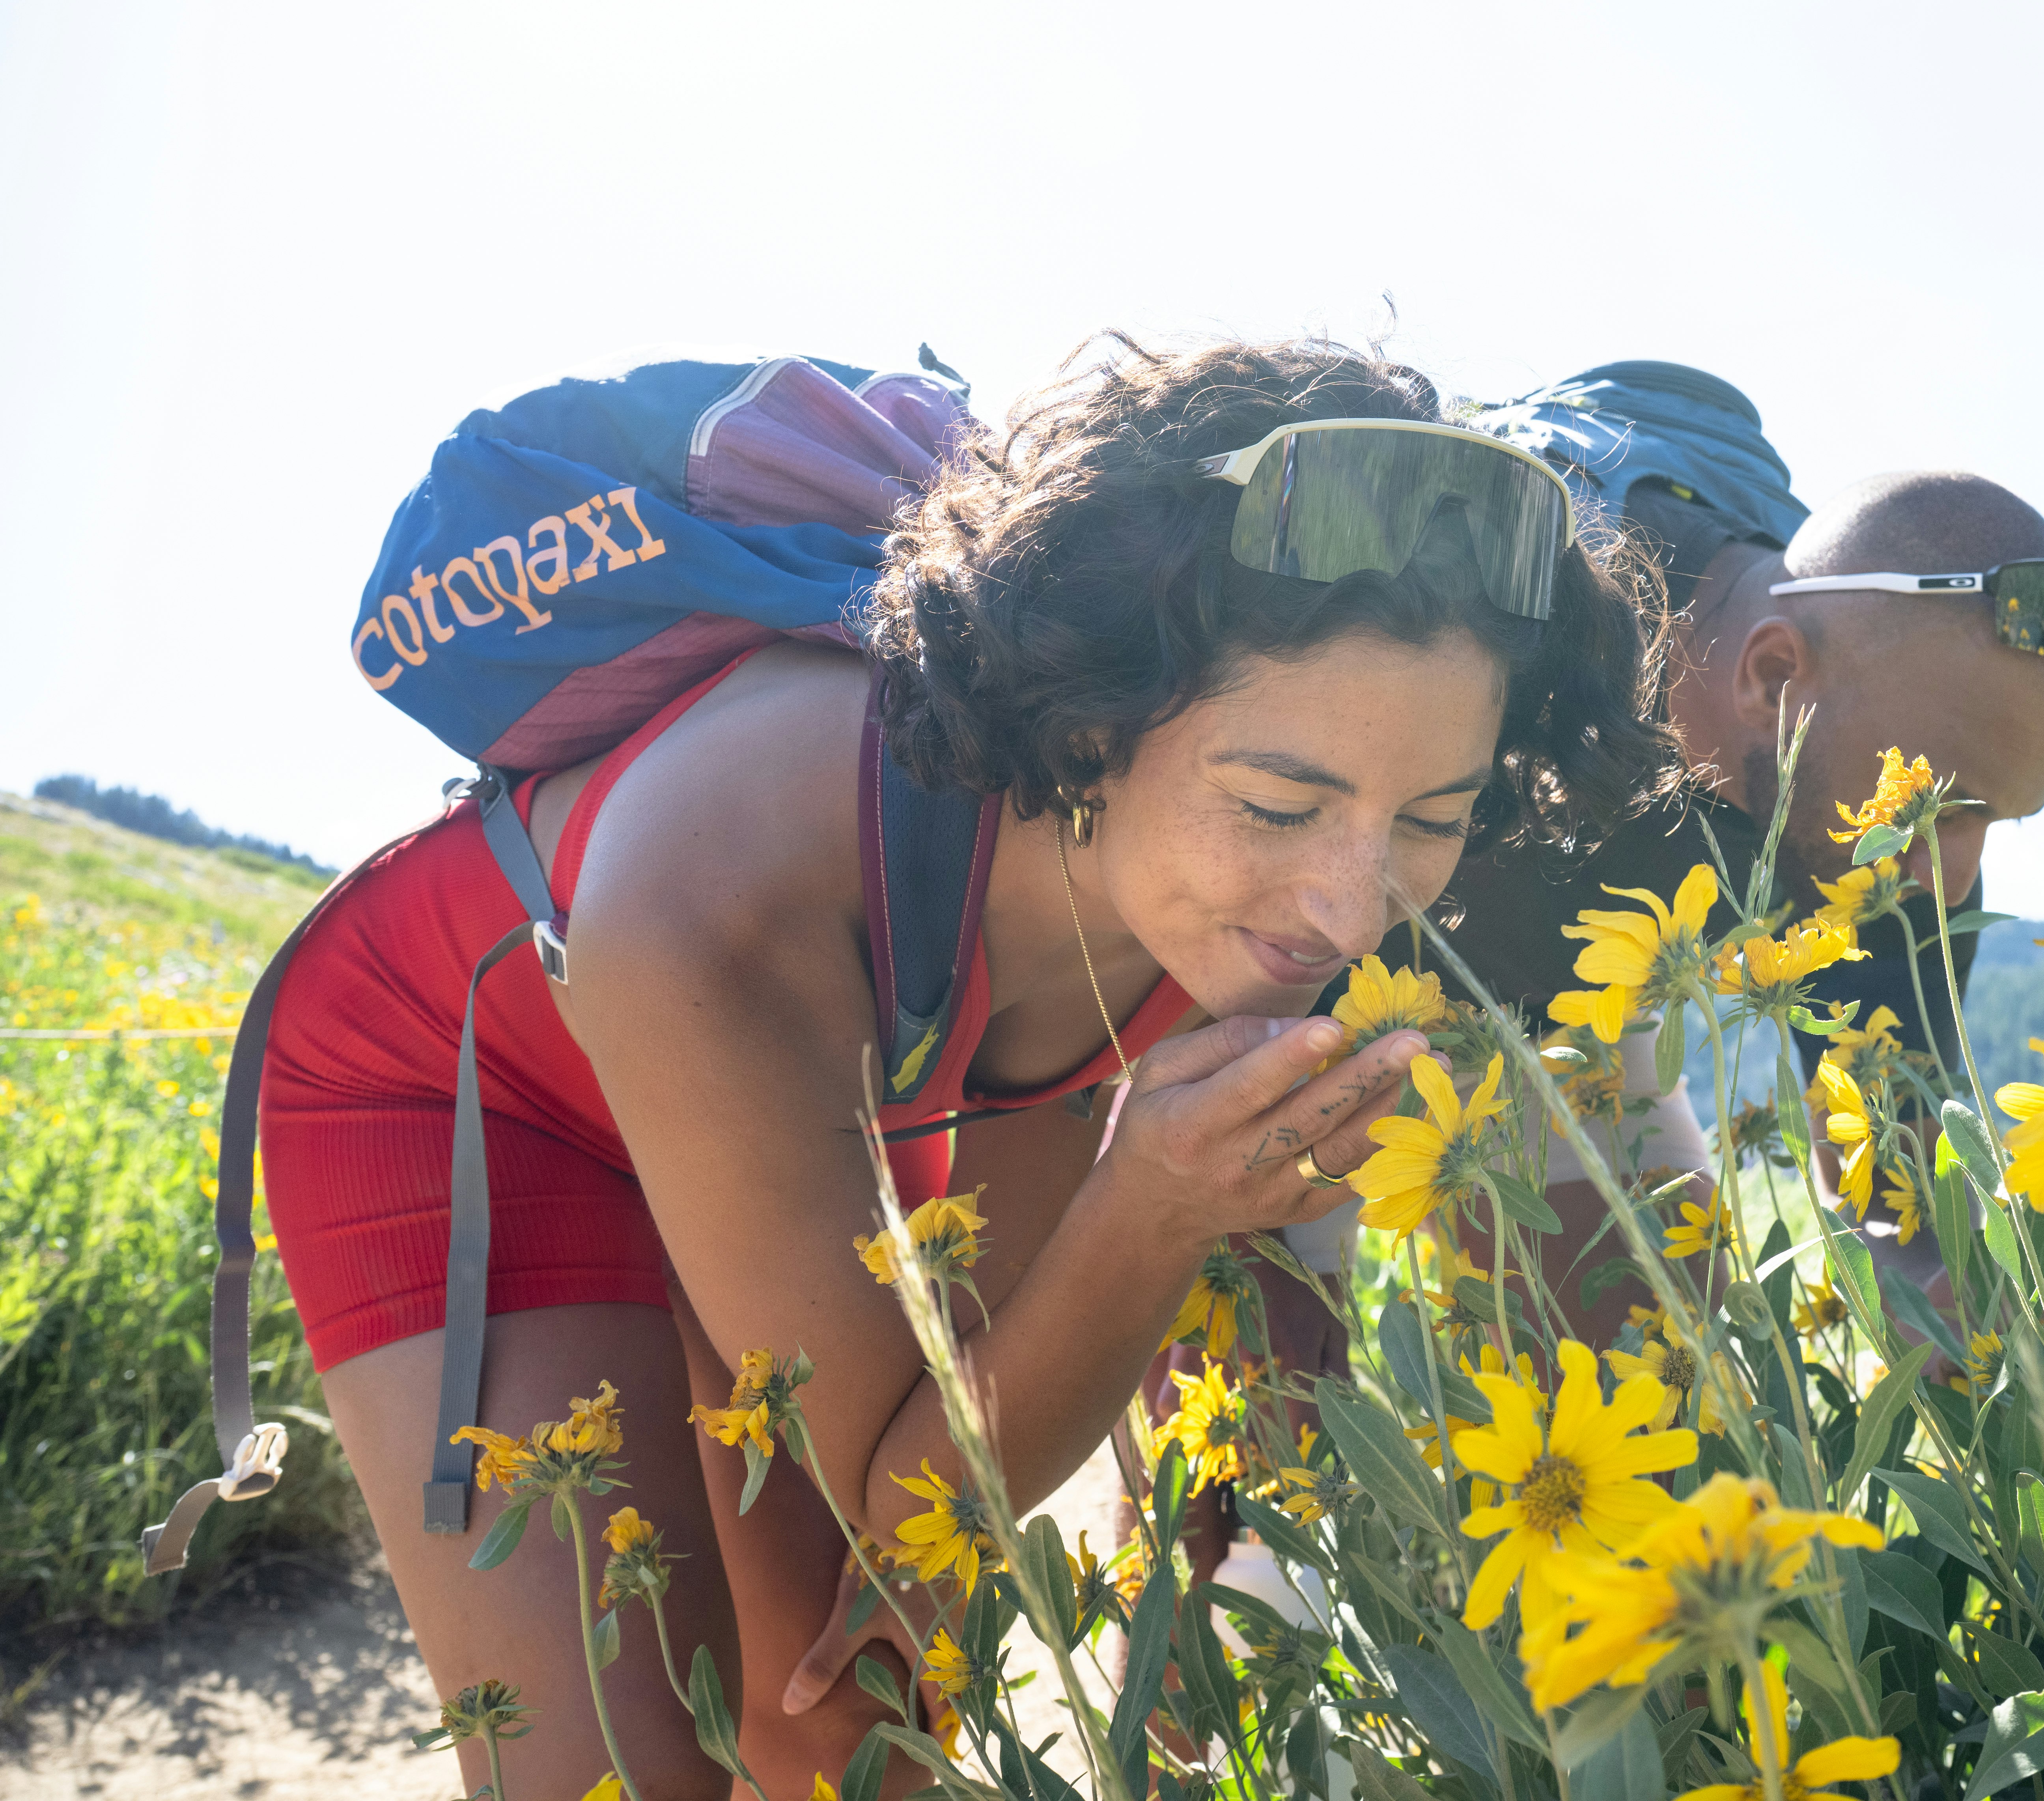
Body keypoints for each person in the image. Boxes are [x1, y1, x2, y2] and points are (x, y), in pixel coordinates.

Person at [255, 337, 1672, 1799]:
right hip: (467, 1085)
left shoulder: (1190, 891)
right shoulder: (729, 879)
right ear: (1085, 729)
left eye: (1430, 816)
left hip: (811, 1078)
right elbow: (912, 1481)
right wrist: (1152, 1209)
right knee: (612, 1771)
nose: (1350, 905)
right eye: (1275, 804)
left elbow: (928, 1504)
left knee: (855, 1716)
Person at [1358, 361, 2044, 1340]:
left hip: (1555, 1025)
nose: (1954, 876)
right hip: (1305, 959)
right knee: (1254, 1405)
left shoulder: (1892, 819)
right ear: (1773, 676)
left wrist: (1959, 1298)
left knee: (1671, 1391)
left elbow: (1892, 1192)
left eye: (1996, 818)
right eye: (1940, 810)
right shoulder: (1499, 636)